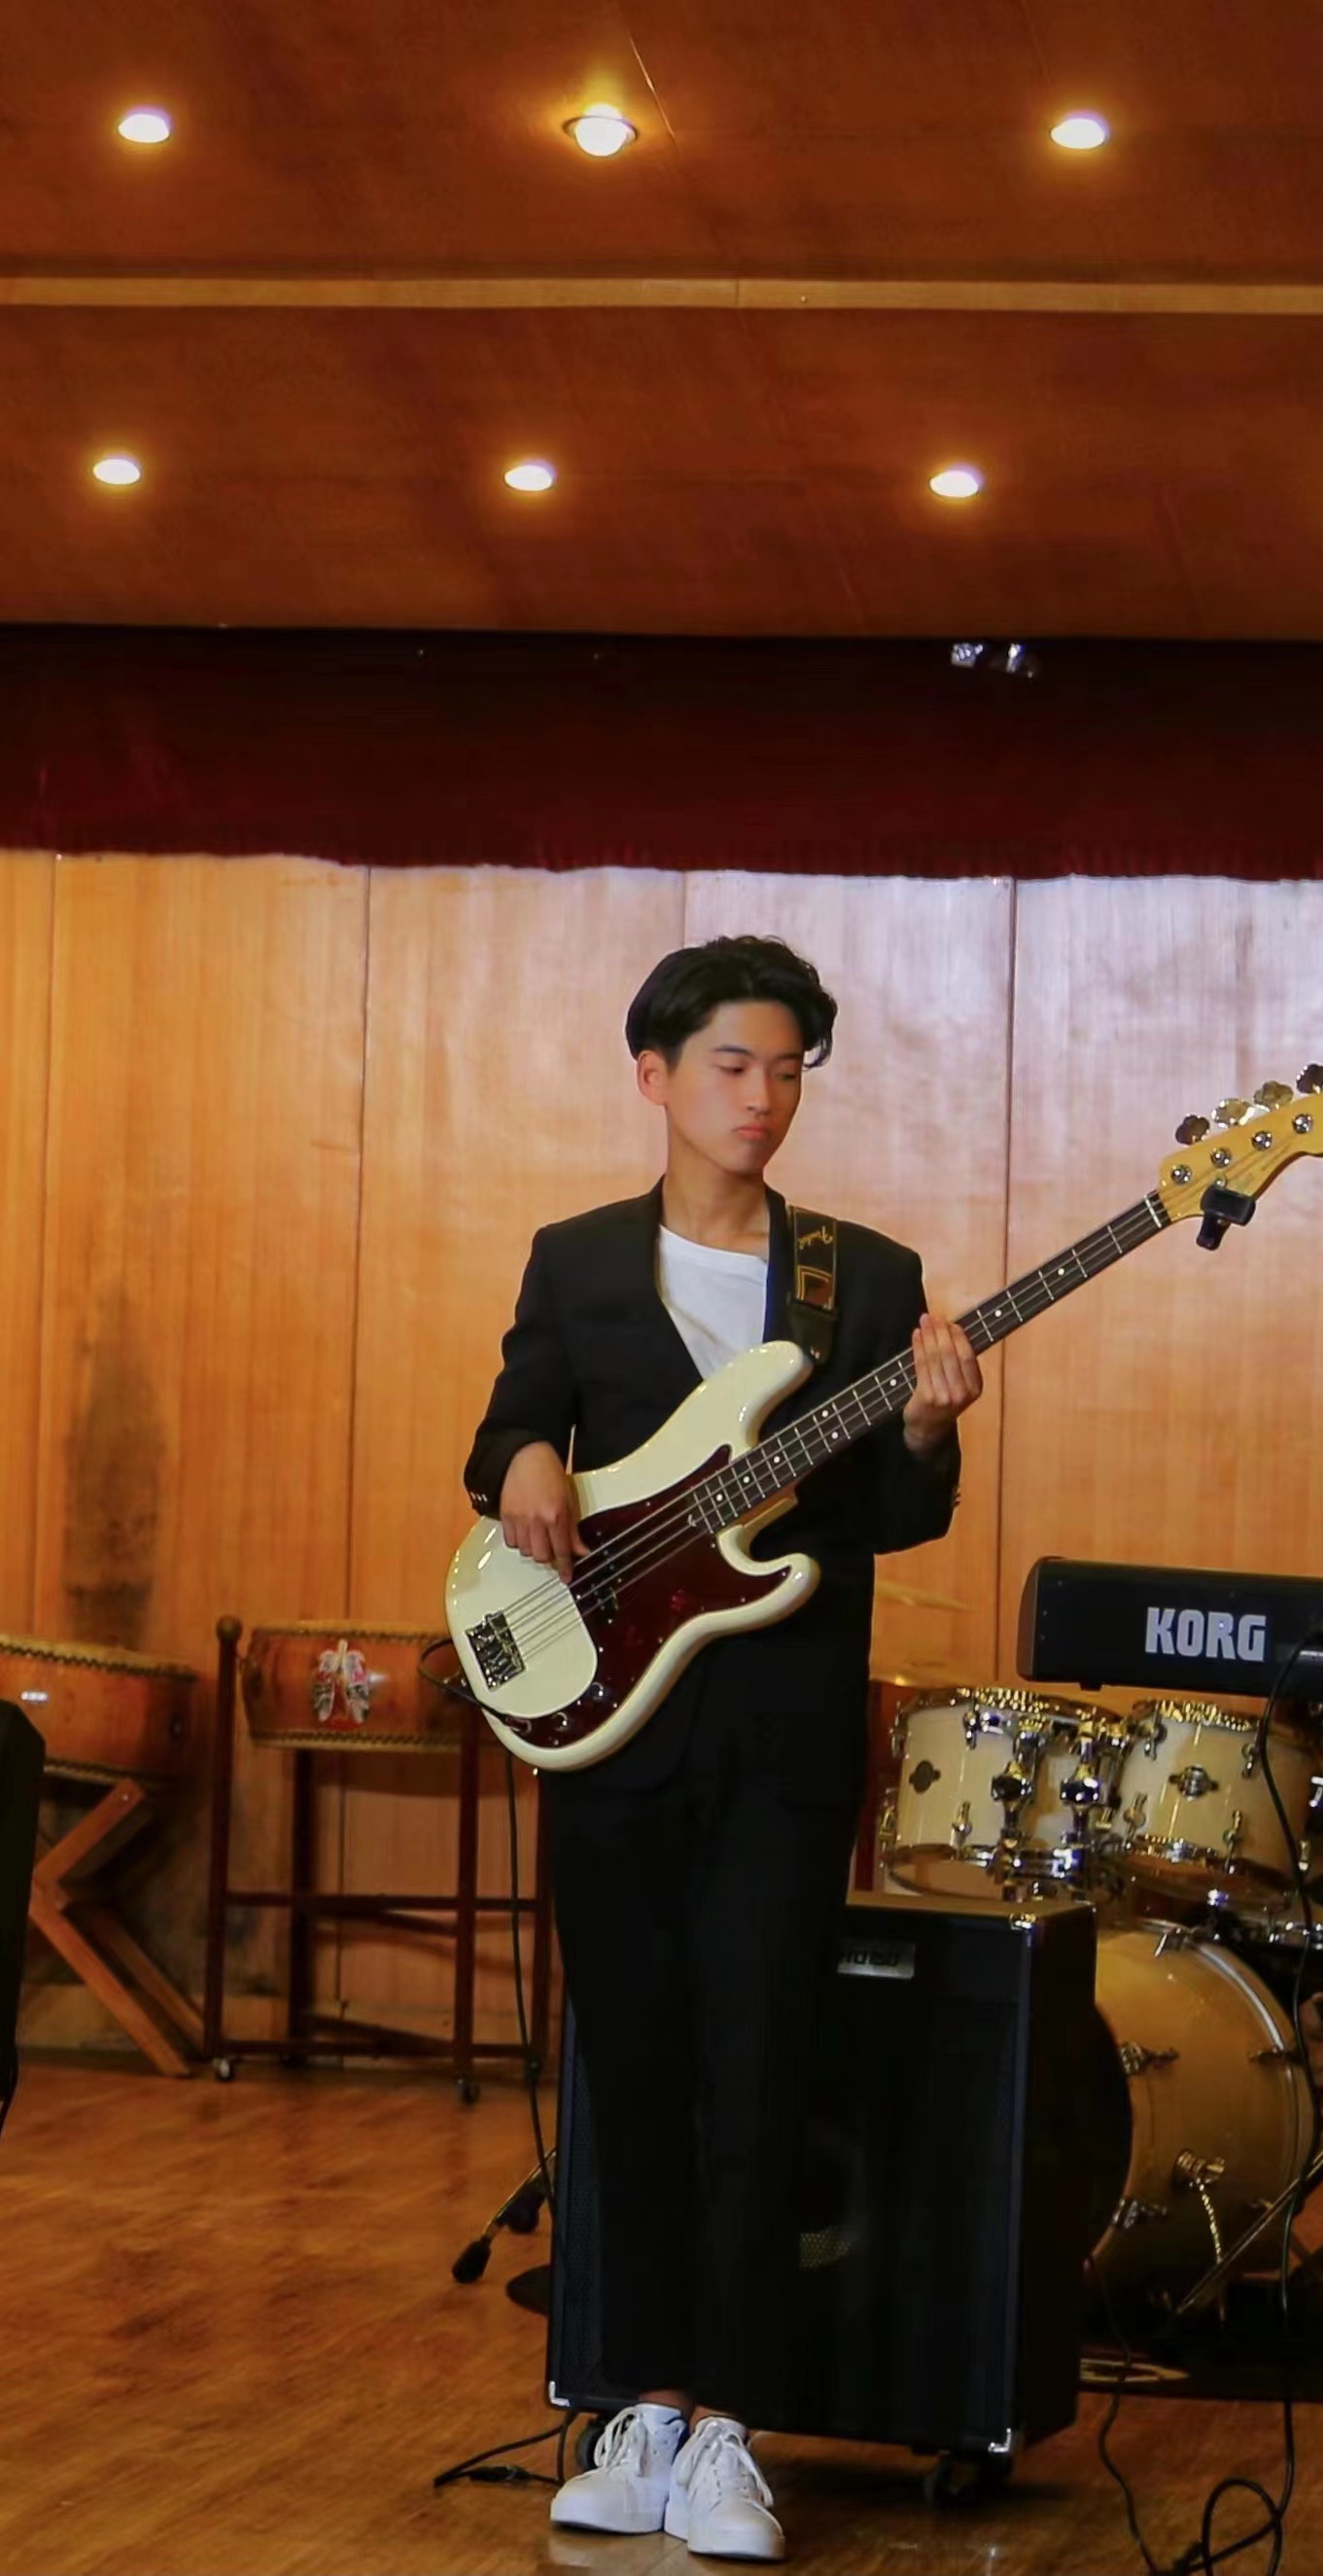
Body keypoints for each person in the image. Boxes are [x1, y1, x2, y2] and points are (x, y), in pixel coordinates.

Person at [464, 935, 983, 2561]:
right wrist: (524, 1456)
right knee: (630, 2070)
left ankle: (731, 2429)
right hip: (608, 1726)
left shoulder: (864, 1277)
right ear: (656, 1075)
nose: (762, 1097)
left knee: (761, 2065)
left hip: (780, 1728)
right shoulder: (575, 1259)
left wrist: (921, 1423)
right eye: (731, 1065)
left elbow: (888, 1515)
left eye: (787, 1069)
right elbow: (510, 1421)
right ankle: (640, 2405)